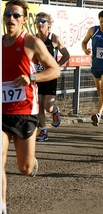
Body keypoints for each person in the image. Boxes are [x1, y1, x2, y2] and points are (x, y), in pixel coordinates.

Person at [2, 0, 61, 214]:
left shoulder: (31, 42)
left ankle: (32, 162)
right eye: (7, 14)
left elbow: (54, 70)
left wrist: (31, 78)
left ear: (24, 20)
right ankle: (2, 213)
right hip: (2, 113)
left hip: (25, 112)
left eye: (16, 15)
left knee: (24, 168)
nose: (11, 19)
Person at [34, 12, 70, 142]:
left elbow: (66, 55)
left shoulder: (54, 38)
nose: (40, 24)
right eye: (38, 21)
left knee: (47, 106)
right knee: (38, 104)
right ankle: (43, 131)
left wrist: (56, 65)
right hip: (37, 75)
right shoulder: (33, 39)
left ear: (48, 24)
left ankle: (54, 111)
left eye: (43, 21)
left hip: (49, 75)